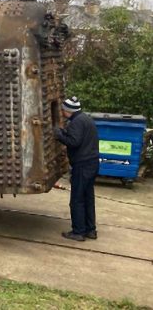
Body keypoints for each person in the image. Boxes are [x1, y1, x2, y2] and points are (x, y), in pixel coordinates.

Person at [54, 96, 99, 241]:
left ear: (68, 111)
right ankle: (90, 230)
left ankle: (78, 232)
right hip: (92, 163)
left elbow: (74, 142)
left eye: (63, 110)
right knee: (88, 198)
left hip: (82, 165)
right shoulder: (86, 119)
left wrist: (59, 135)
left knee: (77, 200)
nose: (62, 112)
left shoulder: (76, 123)